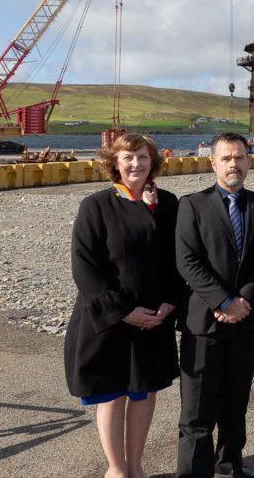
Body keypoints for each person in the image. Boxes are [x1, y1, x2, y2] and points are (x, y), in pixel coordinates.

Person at [64, 132, 181, 478]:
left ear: (153, 163)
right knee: (112, 394)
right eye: (128, 157)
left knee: (143, 392)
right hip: (112, 320)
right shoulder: (96, 205)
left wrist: (171, 302)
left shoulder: (169, 203)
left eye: (143, 157)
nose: (136, 164)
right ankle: (115, 468)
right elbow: (84, 265)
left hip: (153, 318)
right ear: (114, 163)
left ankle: (136, 464)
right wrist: (123, 311)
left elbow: (180, 259)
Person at [175, 132, 254, 478]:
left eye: (239, 158)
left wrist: (243, 299)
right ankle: (193, 472)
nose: (233, 164)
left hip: (246, 319)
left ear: (249, 161)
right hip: (203, 321)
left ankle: (230, 464)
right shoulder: (191, 204)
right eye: (226, 158)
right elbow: (187, 260)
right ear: (213, 163)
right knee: (197, 408)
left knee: (236, 402)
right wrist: (222, 300)